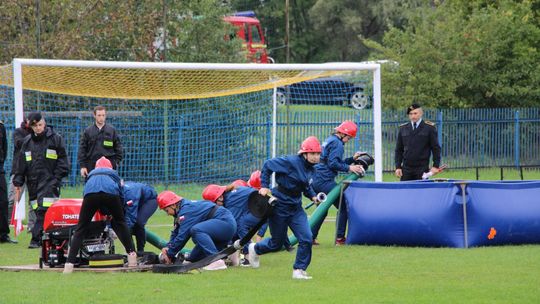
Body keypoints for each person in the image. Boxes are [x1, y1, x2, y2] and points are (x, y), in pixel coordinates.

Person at [247, 136, 322, 280]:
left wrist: (313, 196)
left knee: (306, 238)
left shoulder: (312, 169)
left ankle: (299, 270)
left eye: (318, 154)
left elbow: (305, 186)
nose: (315, 157)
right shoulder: (290, 162)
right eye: (313, 153)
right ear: (304, 153)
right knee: (277, 243)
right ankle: (255, 249)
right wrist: (264, 186)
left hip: (296, 207)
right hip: (279, 205)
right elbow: (268, 165)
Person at [63, 157, 137, 274]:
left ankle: (69, 265)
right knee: (121, 224)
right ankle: (132, 258)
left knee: (80, 229)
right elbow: (121, 193)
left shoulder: (91, 175)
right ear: (110, 167)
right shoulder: (114, 174)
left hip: (90, 195)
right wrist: (118, 212)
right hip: (111, 194)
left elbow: (86, 194)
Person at [13, 112, 69, 248]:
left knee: (44, 210)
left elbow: (63, 161)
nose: (38, 128)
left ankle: (35, 239)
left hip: (50, 182)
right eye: (35, 126)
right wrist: (18, 181)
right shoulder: (27, 142)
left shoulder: (55, 139)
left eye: (40, 125)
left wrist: (56, 179)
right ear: (30, 126)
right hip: (33, 183)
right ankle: (50, 238)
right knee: (38, 210)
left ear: (44, 124)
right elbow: (21, 164)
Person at [310, 121, 365, 246]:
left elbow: (332, 161)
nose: (349, 140)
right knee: (343, 206)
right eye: (349, 137)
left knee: (322, 209)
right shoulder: (338, 144)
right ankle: (340, 239)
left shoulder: (330, 140)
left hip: (316, 179)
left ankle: (311, 238)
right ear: (344, 134)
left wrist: (352, 159)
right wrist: (350, 168)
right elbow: (333, 164)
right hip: (325, 180)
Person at [157, 190, 236, 271]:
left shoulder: (186, 211)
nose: (167, 214)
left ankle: (216, 261)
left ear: (173, 205)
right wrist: (168, 247)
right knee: (192, 260)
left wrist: (169, 254)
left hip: (225, 223)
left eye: (166, 210)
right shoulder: (181, 210)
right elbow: (176, 232)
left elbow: (182, 236)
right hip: (220, 227)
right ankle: (218, 259)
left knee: (196, 230)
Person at [202, 183, 261, 267]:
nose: (214, 206)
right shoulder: (228, 196)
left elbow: (232, 228)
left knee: (240, 226)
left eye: (215, 203)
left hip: (264, 207)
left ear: (220, 197)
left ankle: (248, 256)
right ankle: (245, 253)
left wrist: (226, 248)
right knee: (240, 226)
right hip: (258, 207)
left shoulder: (231, 200)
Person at [395, 103, 442, 181]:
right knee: (404, 192)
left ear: (421, 113)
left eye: (415, 113)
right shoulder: (403, 128)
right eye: (410, 114)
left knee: (422, 192)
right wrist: (398, 167)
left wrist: (435, 166)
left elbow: (436, 148)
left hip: (422, 168)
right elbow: (398, 150)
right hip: (406, 169)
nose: (413, 116)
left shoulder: (429, 128)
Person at [78, 105, 123, 179]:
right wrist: (83, 166)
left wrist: (115, 163)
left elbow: (119, 149)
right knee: (92, 189)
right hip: (91, 167)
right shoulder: (88, 131)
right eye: (99, 115)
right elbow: (82, 150)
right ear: (94, 115)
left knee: (108, 189)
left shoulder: (112, 130)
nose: (101, 117)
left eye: (103, 115)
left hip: (109, 167)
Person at [8, 116, 34, 234]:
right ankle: (8, 223)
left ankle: (32, 226)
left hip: (33, 171)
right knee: (12, 198)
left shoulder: (39, 134)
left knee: (34, 200)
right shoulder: (18, 132)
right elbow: (19, 143)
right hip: (18, 170)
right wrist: (33, 137)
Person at [123, 181, 158, 253]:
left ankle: (140, 251)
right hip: (136, 200)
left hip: (150, 200)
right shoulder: (114, 194)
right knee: (126, 225)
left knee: (139, 222)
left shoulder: (130, 194)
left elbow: (130, 217)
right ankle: (131, 252)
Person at [0, 118, 16, 244]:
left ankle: (3, 234)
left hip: (0, 169)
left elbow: (4, 148)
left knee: (3, 201)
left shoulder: (1, 127)